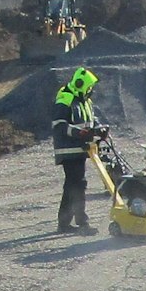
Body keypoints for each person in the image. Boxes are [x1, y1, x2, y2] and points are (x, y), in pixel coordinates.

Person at [51, 67, 103, 234]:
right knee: (77, 184)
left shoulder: (84, 100)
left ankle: (64, 223)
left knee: (72, 185)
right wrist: (79, 133)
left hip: (80, 149)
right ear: (81, 85)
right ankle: (82, 223)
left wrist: (99, 129)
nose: (91, 90)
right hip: (68, 150)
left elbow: (91, 120)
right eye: (89, 87)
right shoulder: (65, 98)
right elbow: (59, 125)